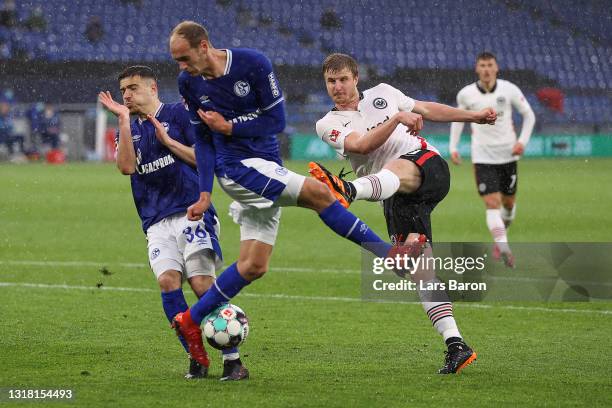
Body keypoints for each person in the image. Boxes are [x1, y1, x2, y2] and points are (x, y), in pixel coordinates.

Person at [167, 21, 398, 378]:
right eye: (176, 60)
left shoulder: (252, 64)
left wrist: (232, 128)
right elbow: (203, 142)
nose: (181, 67)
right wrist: (204, 192)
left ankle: (189, 320)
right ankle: (389, 255)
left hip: (265, 163)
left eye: (184, 58)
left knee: (253, 266)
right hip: (238, 169)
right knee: (321, 193)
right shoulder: (189, 83)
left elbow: (276, 121)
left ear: (204, 46)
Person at [310, 53, 496, 374]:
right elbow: (363, 145)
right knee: (419, 272)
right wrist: (396, 119)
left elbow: (426, 108)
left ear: (356, 78)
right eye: (331, 81)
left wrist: (474, 116)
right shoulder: (327, 123)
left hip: (426, 166)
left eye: (343, 79)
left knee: (395, 166)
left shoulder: (384, 92)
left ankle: (349, 190)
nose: (337, 87)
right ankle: (456, 345)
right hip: (395, 196)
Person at [98, 65, 242, 381]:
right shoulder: (129, 128)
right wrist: (122, 119)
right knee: (167, 282)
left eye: (133, 88)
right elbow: (126, 168)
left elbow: (206, 159)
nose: (127, 94)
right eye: (123, 90)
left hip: (192, 212)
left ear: (152, 89)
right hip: (155, 221)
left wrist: (168, 141)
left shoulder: (179, 114)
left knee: (202, 283)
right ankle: (196, 356)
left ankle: (233, 360)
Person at [449, 52, 536, 267]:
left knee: (508, 203)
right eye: (482, 65)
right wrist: (453, 146)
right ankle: (504, 246)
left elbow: (529, 115)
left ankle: (501, 236)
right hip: (482, 155)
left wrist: (522, 142)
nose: (486, 69)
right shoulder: (466, 94)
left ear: (496, 68)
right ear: (477, 69)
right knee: (491, 202)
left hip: (508, 154)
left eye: (490, 65)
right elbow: (457, 119)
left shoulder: (509, 90)